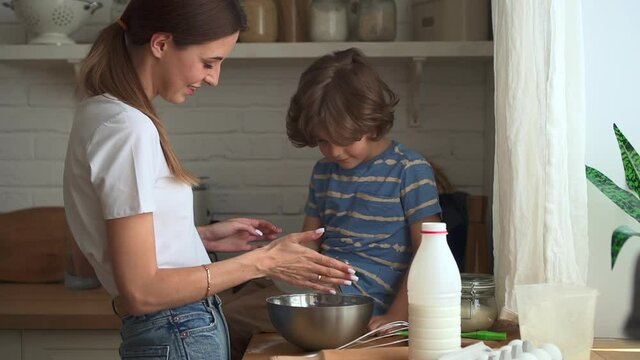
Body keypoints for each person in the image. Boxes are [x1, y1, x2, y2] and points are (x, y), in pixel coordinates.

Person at [62, 1, 355, 359]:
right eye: (209, 62)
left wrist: (196, 235)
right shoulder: (128, 128)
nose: (214, 78)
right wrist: (266, 260)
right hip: (178, 330)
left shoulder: (100, 111)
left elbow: (121, 248)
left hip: (174, 330)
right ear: (161, 44)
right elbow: (141, 290)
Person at [224, 47, 442, 358]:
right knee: (238, 294)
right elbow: (311, 242)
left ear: (371, 120)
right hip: (323, 290)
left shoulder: (409, 169)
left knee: (227, 317)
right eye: (323, 141)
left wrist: (397, 316)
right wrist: (281, 259)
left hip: (363, 301)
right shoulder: (325, 171)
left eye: (344, 139)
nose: (335, 152)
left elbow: (429, 253)